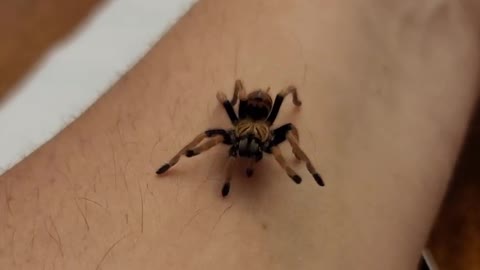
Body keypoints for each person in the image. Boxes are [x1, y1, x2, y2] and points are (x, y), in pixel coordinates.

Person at [1, 0, 478, 269]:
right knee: (213, 136)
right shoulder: (233, 132)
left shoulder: (272, 129)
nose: (248, 147)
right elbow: (209, 142)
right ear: (243, 114)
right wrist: (173, 163)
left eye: (254, 141)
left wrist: (300, 169)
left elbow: (289, 136)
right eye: (245, 141)